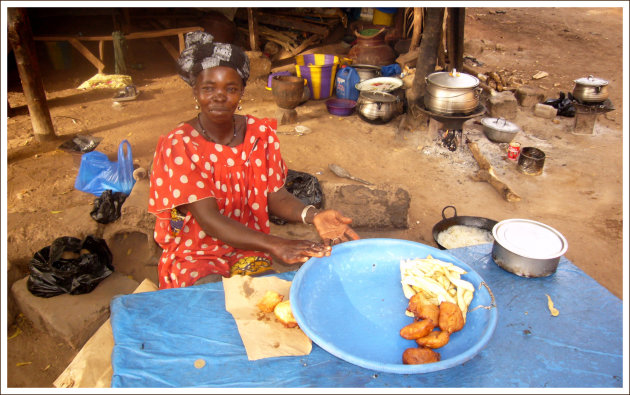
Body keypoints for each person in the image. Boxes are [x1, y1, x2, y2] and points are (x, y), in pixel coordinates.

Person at [148, 31, 359, 289]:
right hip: (197, 253)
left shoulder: (259, 135)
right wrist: (276, 243)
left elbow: (276, 196)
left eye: (231, 88)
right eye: (208, 88)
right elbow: (210, 220)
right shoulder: (180, 144)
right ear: (195, 91)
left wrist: (313, 215)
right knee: (211, 310)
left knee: (266, 306)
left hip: (248, 247)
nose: (219, 96)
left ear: (242, 92)